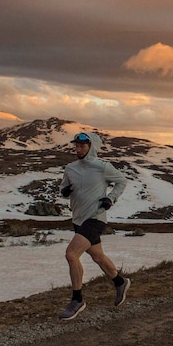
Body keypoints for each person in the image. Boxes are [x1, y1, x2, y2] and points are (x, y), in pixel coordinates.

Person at [57, 131, 131, 320]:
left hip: (96, 218)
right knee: (98, 257)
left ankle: (77, 299)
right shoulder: (70, 168)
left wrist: (110, 198)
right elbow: (63, 187)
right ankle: (120, 282)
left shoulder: (102, 167)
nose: (78, 149)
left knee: (71, 254)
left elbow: (122, 181)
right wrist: (64, 191)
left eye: (82, 146)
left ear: (92, 147)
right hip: (78, 219)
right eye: (77, 146)